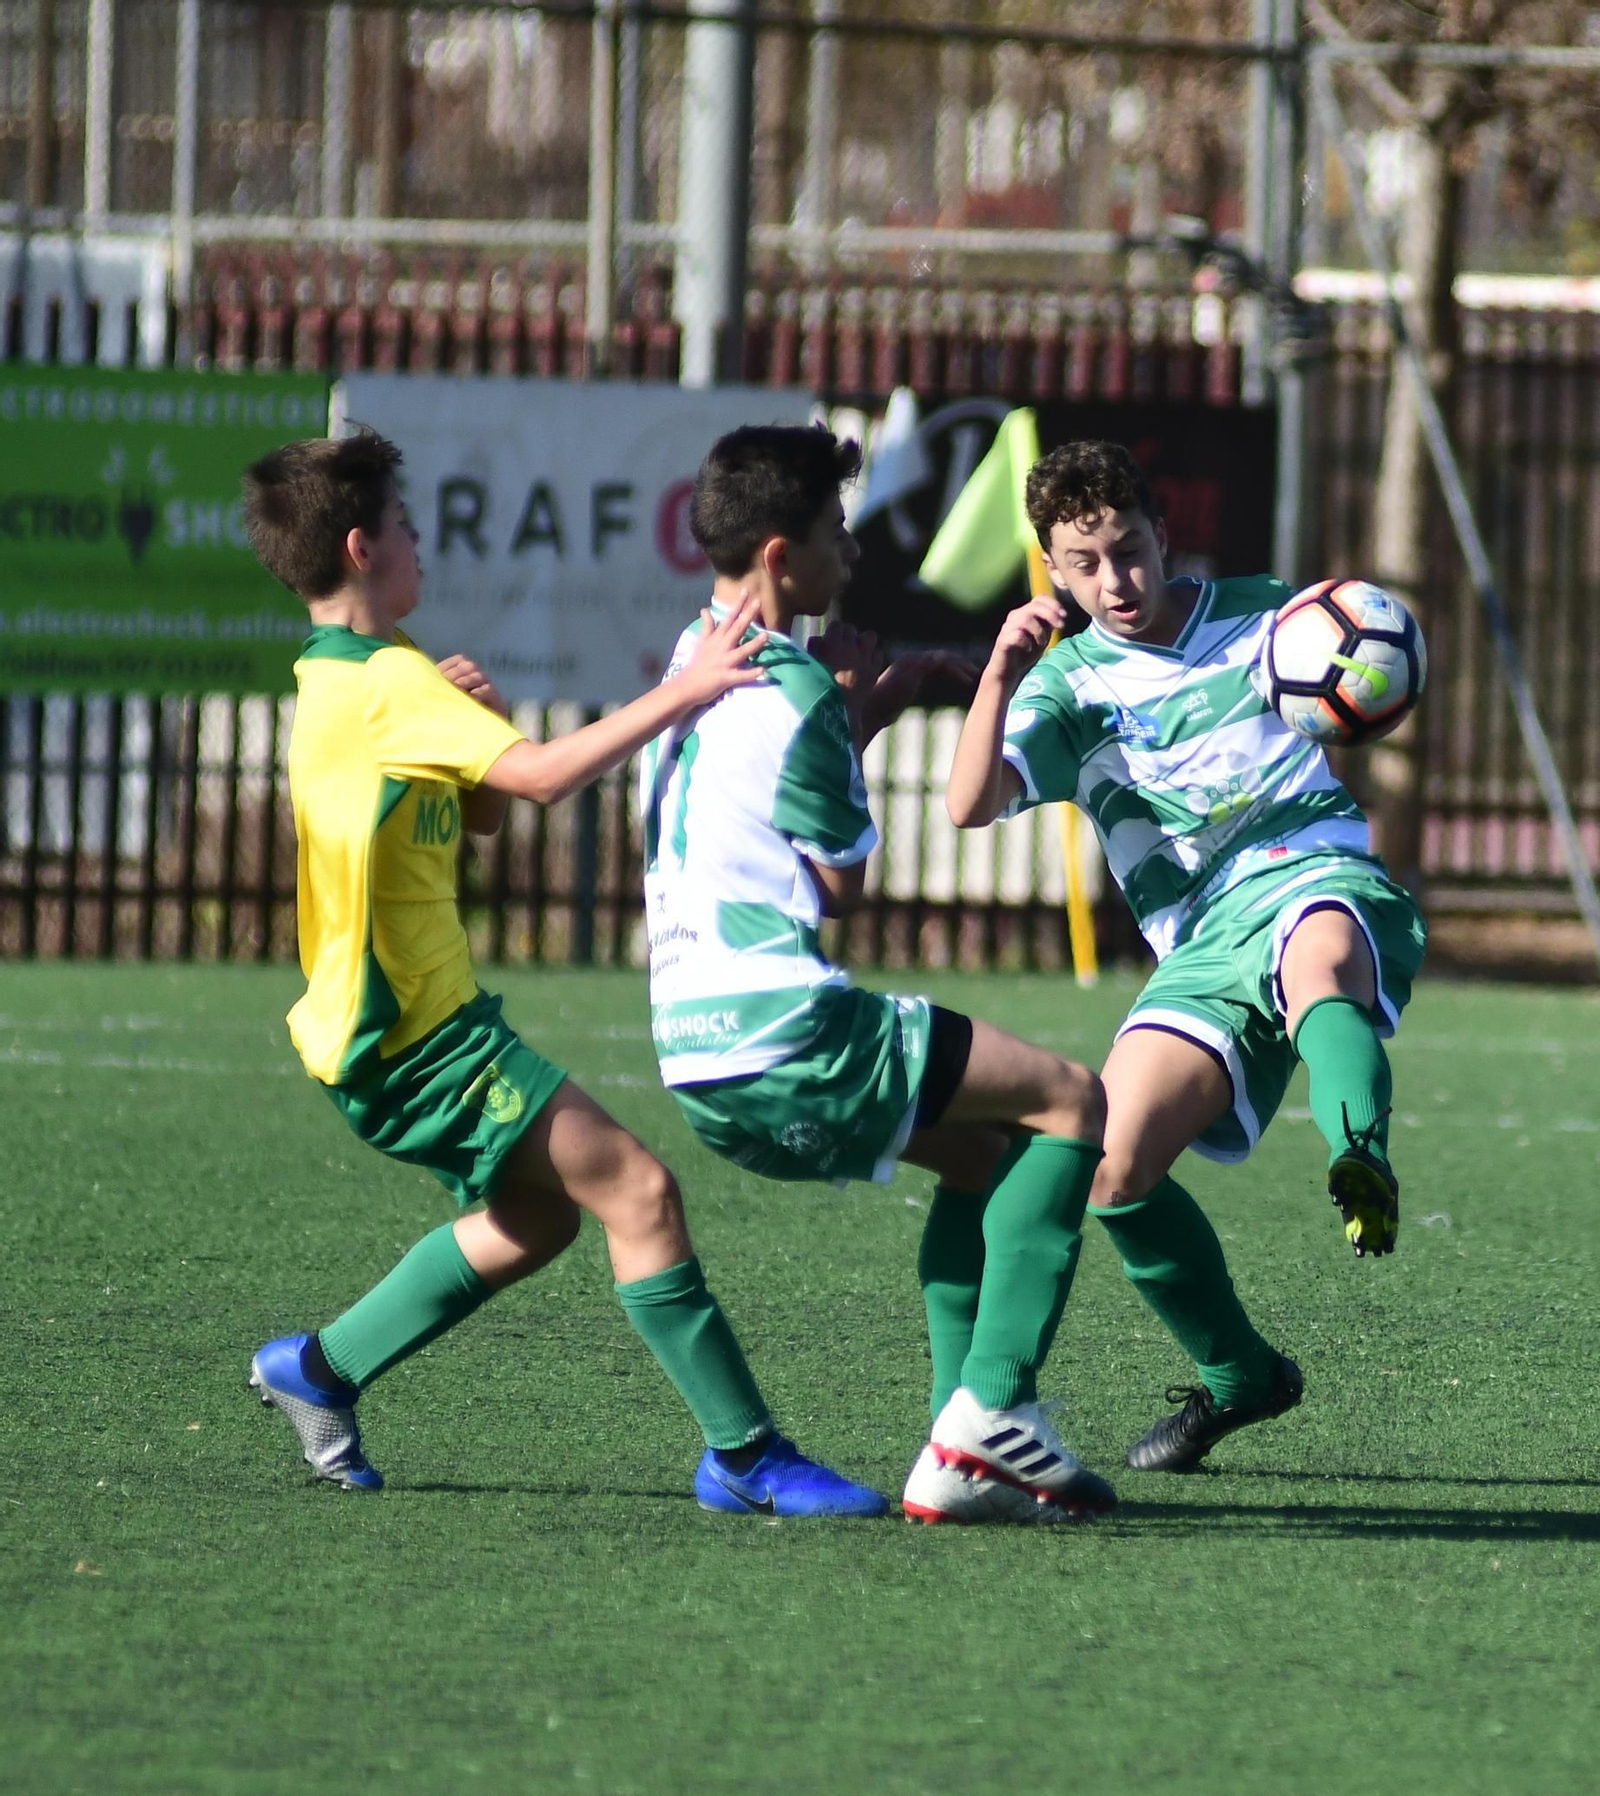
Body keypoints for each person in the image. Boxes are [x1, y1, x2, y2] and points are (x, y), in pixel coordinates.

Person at [238, 428, 887, 1518]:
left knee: (539, 1220)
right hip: (411, 1040)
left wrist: (480, 729)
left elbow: (484, 816)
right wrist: (686, 689)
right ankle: (745, 1456)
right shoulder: (386, 682)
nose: (418, 540)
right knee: (640, 1189)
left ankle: (321, 1367)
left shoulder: (359, 676)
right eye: (404, 524)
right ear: (360, 548)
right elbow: (541, 783)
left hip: (422, 1027)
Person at [638, 423, 1116, 1526]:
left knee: (984, 1158)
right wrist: (855, 709)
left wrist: (865, 703)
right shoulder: (800, 686)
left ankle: (966, 1438)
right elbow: (841, 885)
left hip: (695, 1056)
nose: (851, 553)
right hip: (790, 1031)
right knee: (1072, 1100)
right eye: (836, 532)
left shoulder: (686, 659)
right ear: (780, 554)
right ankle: (992, 1408)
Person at [946, 438, 1428, 1472]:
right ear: (1052, 569)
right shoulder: (1064, 687)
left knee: (1317, 968)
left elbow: (1357, 657)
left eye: (1129, 549)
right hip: (1202, 939)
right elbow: (967, 804)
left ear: (1163, 536)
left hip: (1309, 866)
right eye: (1084, 563)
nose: (1115, 580)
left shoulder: (1268, 616)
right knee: (1112, 1168)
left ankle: (1360, 1154)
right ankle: (1241, 1374)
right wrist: (997, 675)